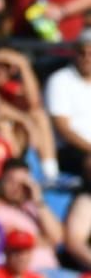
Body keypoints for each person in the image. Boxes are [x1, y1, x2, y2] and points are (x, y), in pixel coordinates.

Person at [45, 32, 91, 180]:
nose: (86, 58)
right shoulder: (59, 80)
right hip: (71, 150)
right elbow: (63, 128)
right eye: (82, 52)